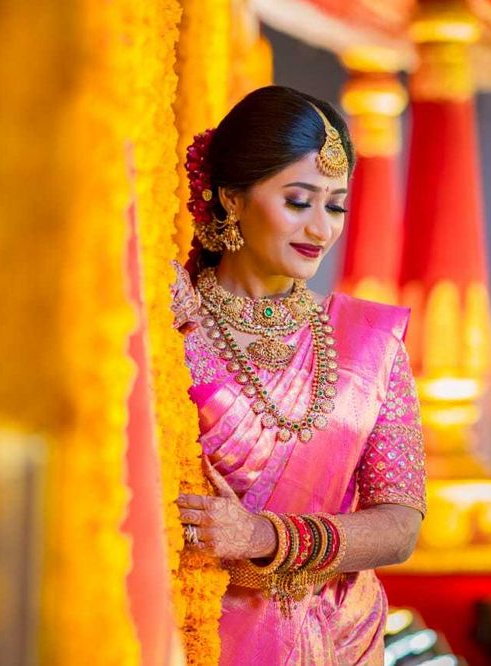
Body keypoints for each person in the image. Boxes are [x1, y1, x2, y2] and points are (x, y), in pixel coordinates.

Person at [171, 85, 427, 665]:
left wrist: (264, 537)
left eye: (335, 204)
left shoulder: (371, 343)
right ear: (232, 197)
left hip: (336, 638)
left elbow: (400, 527)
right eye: (298, 200)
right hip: (197, 632)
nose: (320, 228)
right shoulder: (173, 325)